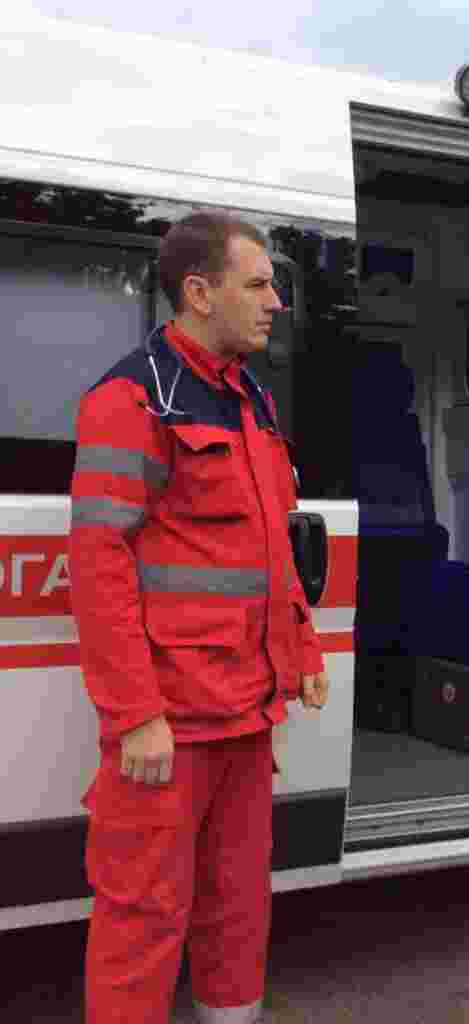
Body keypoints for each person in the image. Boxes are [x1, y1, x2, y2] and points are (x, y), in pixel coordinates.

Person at [69, 211, 329, 1024]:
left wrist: (299, 650)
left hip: (245, 714)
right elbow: (99, 562)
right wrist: (135, 714)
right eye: (257, 284)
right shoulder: (132, 399)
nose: (275, 302)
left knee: (238, 909)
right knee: (142, 918)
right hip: (170, 722)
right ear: (198, 291)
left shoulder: (246, 396)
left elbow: (271, 543)